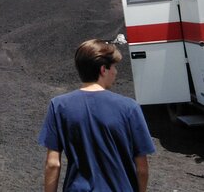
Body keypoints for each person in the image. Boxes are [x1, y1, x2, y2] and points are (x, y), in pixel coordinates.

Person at [38, 39, 155, 192]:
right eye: (113, 67)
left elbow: (53, 164)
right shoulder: (129, 107)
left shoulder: (59, 106)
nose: (116, 72)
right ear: (103, 70)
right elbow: (142, 169)